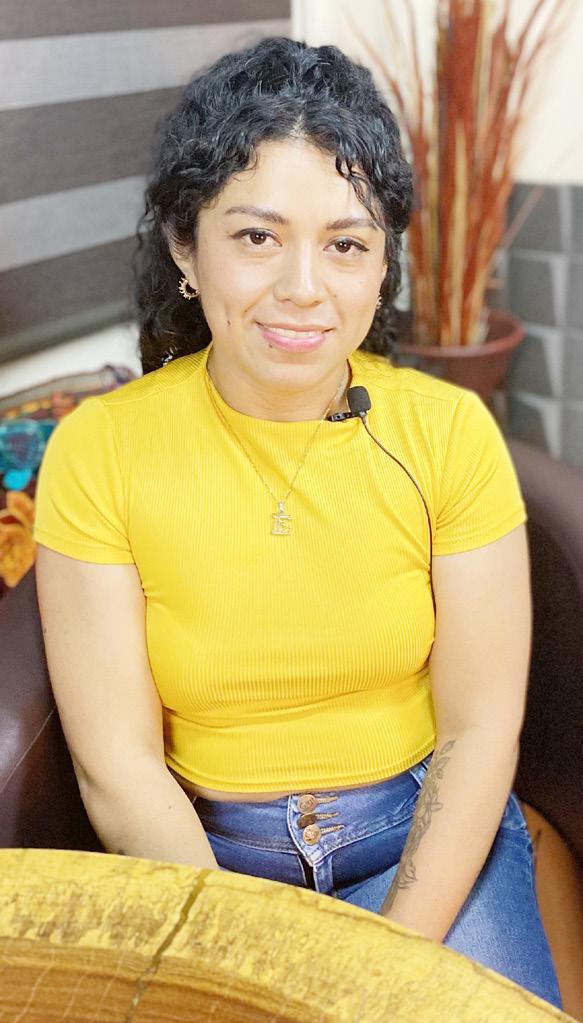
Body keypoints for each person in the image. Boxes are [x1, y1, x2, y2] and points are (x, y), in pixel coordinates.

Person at [33, 36, 562, 1008]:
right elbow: (117, 764)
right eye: (256, 237)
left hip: (422, 840)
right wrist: (237, 951)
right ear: (185, 247)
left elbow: (480, 727)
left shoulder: (447, 435)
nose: (303, 288)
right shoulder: (101, 451)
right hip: (204, 859)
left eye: (345, 244)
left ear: (381, 263)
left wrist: (384, 964)